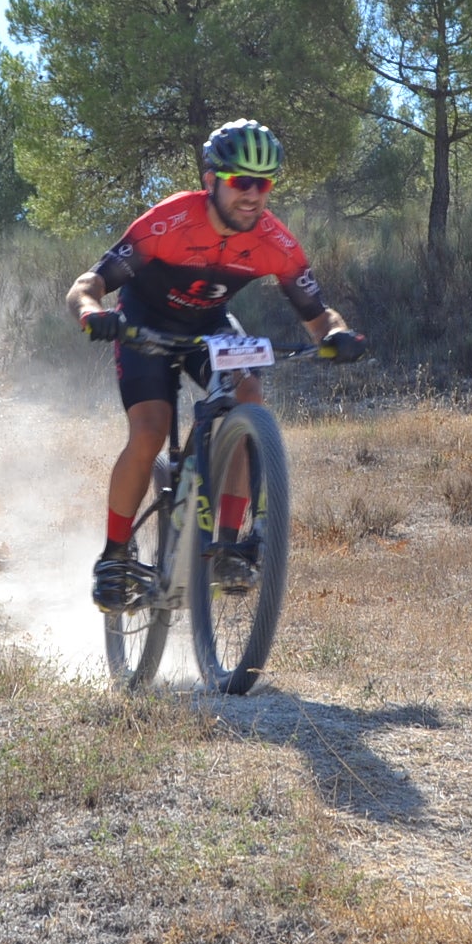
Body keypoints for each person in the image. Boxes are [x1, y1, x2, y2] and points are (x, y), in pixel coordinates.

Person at [64, 119, 363, 609]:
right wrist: (93, 314)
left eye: (263, 184)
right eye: (240, 181)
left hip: (208, 327)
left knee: (250, 394)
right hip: (144, 324)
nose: (252, 195)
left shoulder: (274, 241)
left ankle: (227, 545)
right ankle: (114, 556)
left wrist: (336, 335)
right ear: (211, 181)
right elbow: (87, 284)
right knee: (151, 429)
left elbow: (318, 314)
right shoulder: (168, 221)